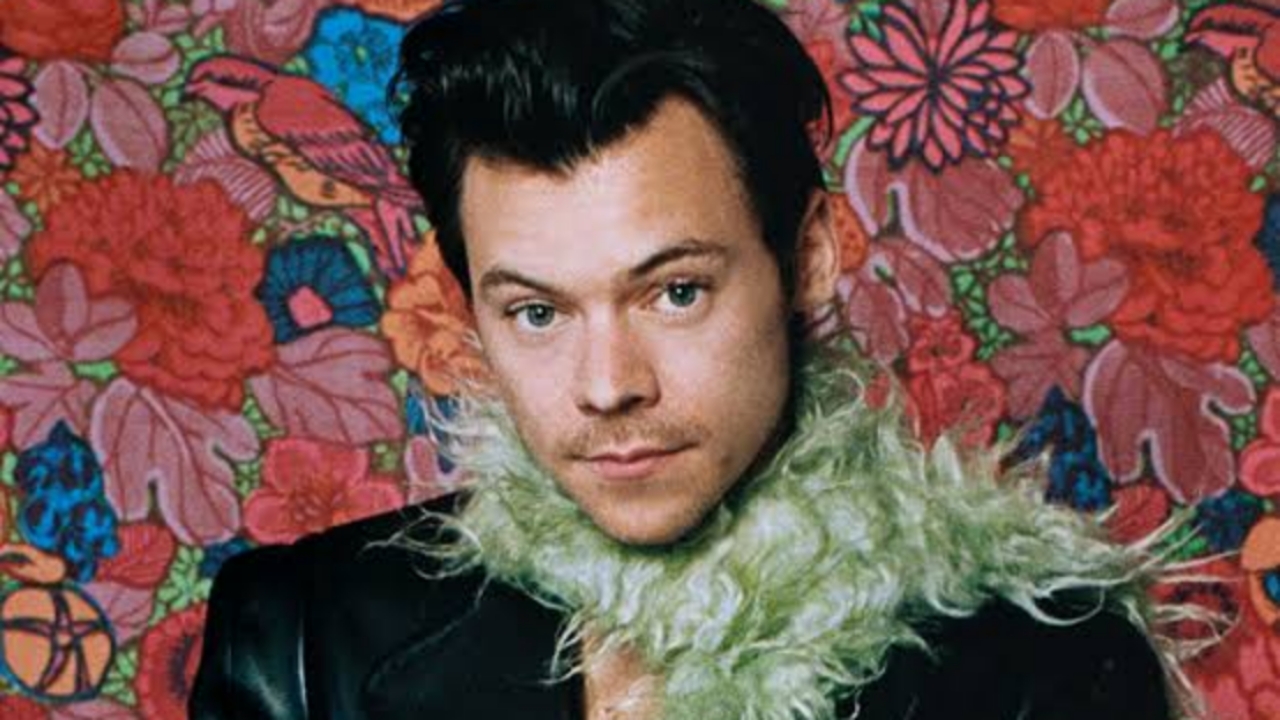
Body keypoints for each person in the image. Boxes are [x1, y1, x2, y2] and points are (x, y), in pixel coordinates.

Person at [188, 0, 1179, 718]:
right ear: (468, 311)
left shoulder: (1044, 670)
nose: (608, 385)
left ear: (808, 257)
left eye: (675, 293)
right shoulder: (297, 644)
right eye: (537, 312)